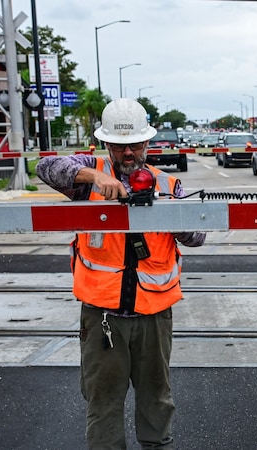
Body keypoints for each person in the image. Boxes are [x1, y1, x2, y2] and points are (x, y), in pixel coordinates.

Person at [36, 98, 205, 449]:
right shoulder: (87, 178)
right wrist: (95, 177)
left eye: (135, 144)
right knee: (103, 402)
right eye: (119, 145)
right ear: (105, 143)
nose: (128, 153)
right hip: (103, 317)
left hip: (154, 315)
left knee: (157, 400)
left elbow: (198, 237)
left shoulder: (167, 185)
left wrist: (171, 214)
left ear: (148, 142)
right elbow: (47, 167)